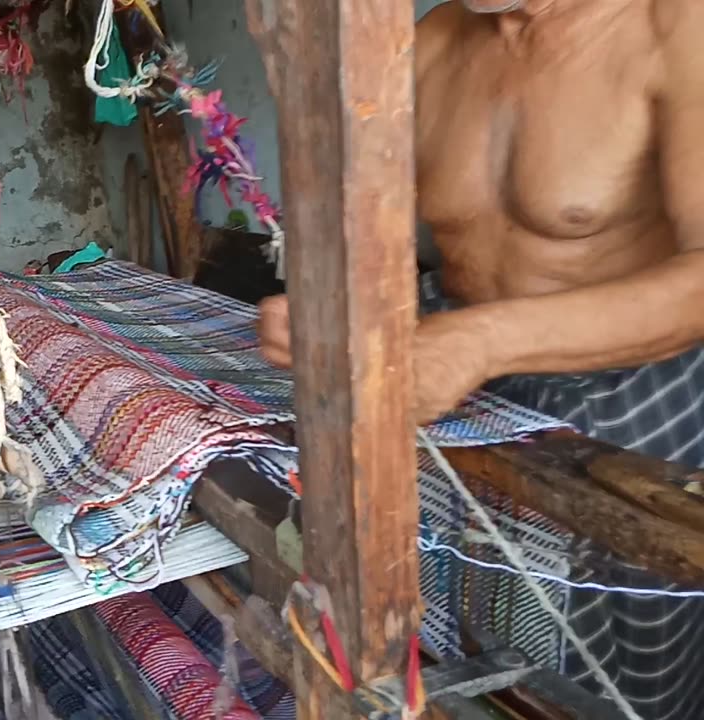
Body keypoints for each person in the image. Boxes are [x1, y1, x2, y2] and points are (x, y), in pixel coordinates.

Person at [257, 1, 704, 718]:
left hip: (631, 394)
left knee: (628, 677)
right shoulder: (431, 41)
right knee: (466, 629)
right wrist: (325, 308)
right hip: (458, 382)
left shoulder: (675, 28)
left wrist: (480, 341)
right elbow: (375, 228)